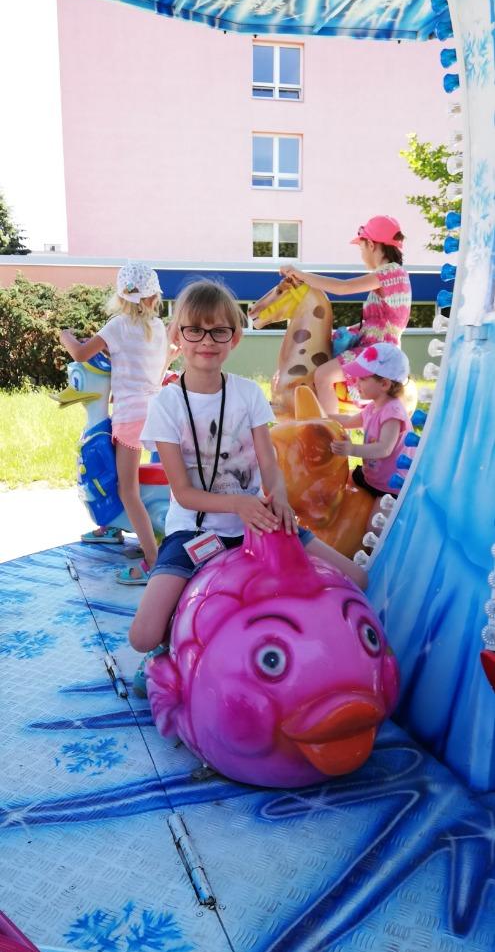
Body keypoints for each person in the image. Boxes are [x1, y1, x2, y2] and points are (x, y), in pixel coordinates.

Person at [128, 278, 368, 697]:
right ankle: (170, 648)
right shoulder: (166, 404)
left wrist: (280, 499)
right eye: (195, 330)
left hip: (260, 521)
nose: (207, 341)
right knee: (143, 635)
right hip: (195, 532)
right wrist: (240, 504)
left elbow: (268, 462)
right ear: (177, 335)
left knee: (357, 579)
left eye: (219, 331)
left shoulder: (247, 393)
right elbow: (183, 493)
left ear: (234, 338)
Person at [59, 261, 175, 584]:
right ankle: (121, 530)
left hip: (130, 418)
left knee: (127, 490)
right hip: (157, 413)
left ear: (121, 297)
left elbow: (81, 354)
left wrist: (65, 336)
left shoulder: (117, 326)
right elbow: (151, 366)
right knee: (163, 480)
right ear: (154, 296)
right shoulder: (158, 327)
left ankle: (153, 560)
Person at [280, 216, 411, 414]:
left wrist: (301, 275)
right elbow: (377, 322)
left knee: (323, 375)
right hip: (376, 345)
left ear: (371, 244)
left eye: (361, 247)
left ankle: (329, 429)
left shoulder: (391, 272)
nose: (362, 254)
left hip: (378, 350)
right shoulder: (394, 274)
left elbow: (343, 287)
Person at [328, 343, 413, 525]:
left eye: (363, 379)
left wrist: (352, 449)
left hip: (390, 486)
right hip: (371, 476)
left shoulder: (393, 412)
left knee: (374, 529)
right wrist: (320, 417)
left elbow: (384, 449)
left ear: (384, 384)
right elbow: (348, 421)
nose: (356, 383)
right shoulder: (373, 407)